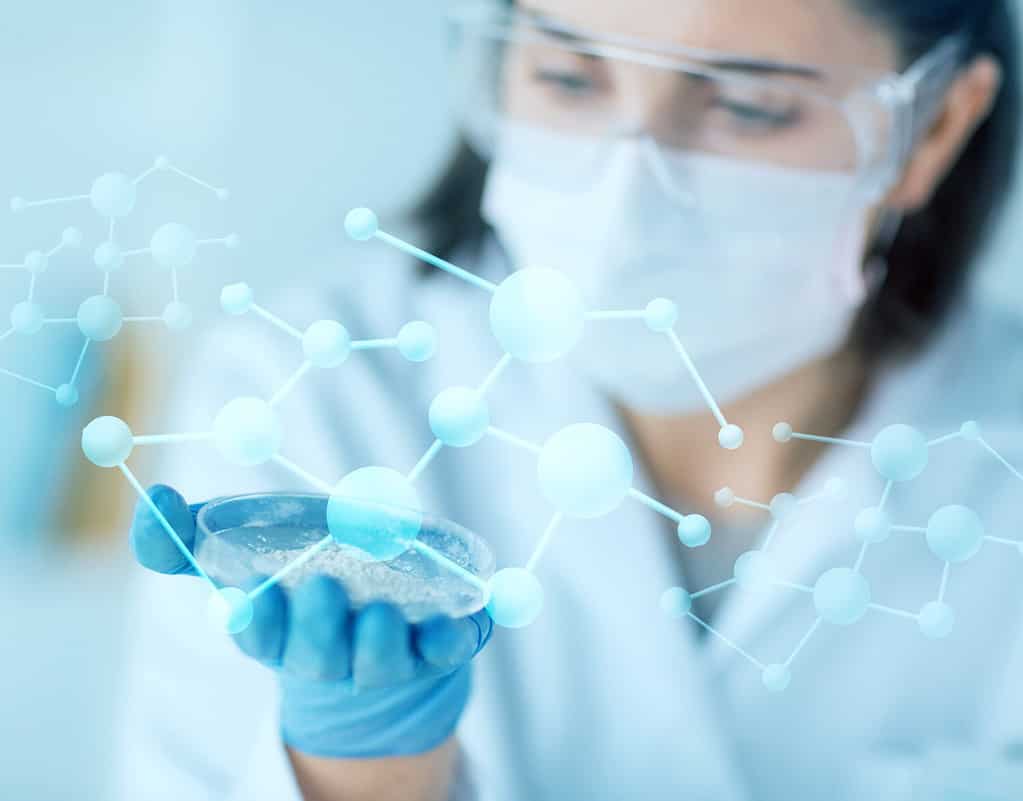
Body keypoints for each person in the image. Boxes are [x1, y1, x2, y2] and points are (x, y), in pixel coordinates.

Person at [114, 1, 1023, 799]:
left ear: (935, 124)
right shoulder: (314, 385)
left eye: (749, 108)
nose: (628, 197)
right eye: (566, 78)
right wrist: (365, 779)